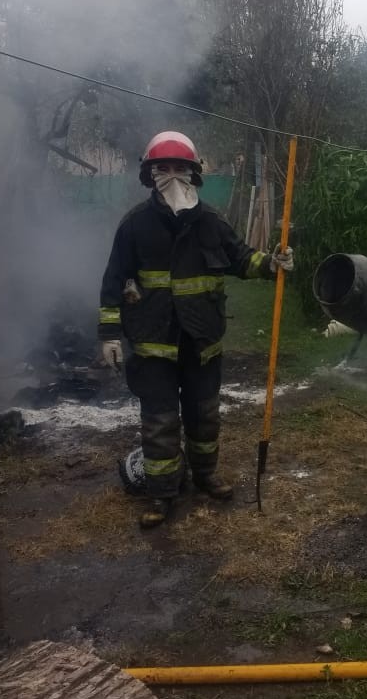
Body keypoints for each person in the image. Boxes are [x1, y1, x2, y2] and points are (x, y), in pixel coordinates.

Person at [98, 130, 294, 528]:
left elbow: (241, 258)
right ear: (149, 175)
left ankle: (205, 477)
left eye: (180, 168)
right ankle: (162, 494)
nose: (172, 176)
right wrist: (109, 335)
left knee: (205, 417)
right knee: (160, 422)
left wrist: (271, 263)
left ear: (195, 173)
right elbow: (113, 280)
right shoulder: (134, 226)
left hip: (201, 342)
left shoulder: (211, 222)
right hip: (153, 345)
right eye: (162, 168)